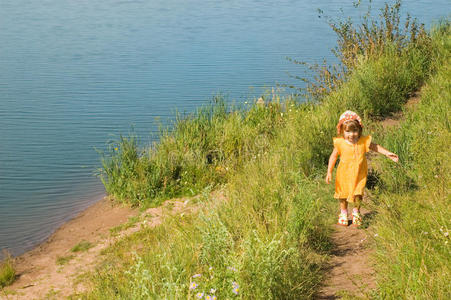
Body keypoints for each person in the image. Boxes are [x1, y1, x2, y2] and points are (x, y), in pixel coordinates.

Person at [325, 110, 399, 226]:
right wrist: (329, 172)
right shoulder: (340, 143)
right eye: (348, 131)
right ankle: (343, 213)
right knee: (343, 195)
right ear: (342, 131)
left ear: (359, 130)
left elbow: (375, 147)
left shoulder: (363, 141)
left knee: (358, 194)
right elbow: (333, 156)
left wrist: (387, 153)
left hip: (359, 174)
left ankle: (356, 212)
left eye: (355, 131)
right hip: (343, 175)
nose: (351, 134)